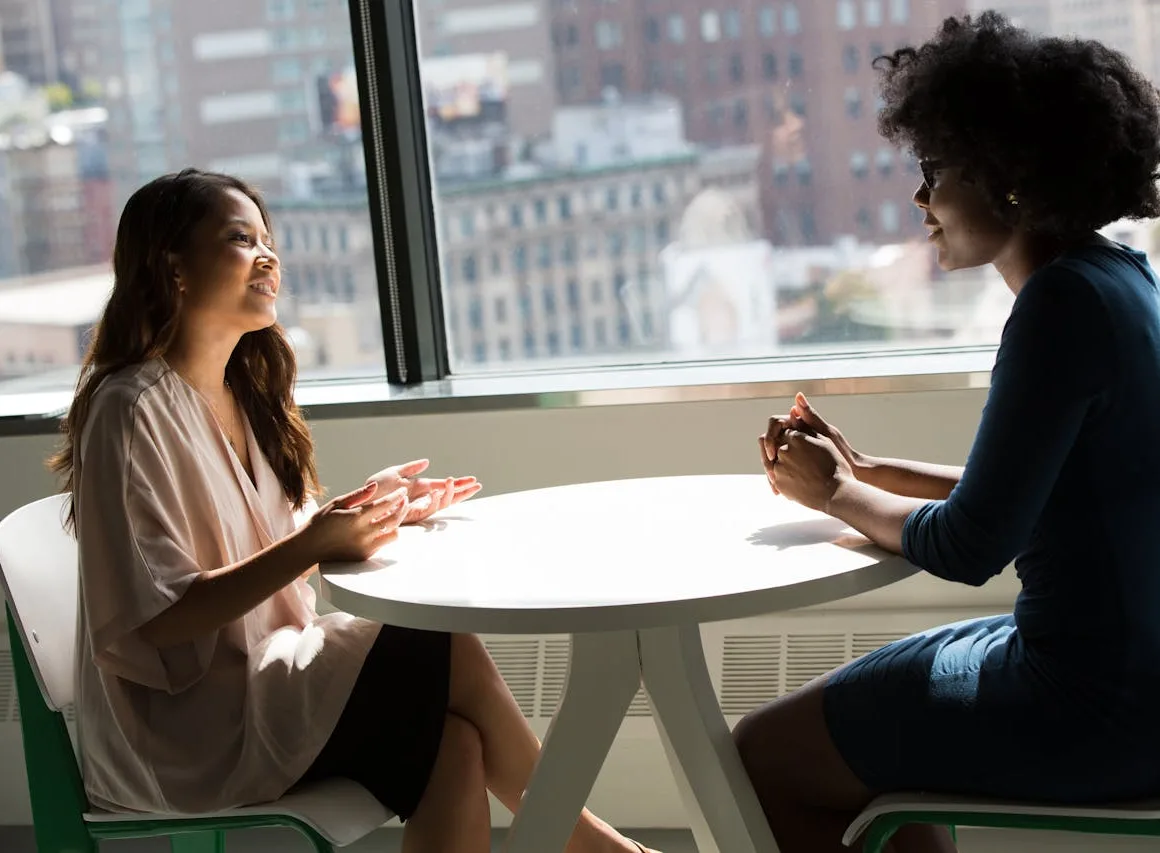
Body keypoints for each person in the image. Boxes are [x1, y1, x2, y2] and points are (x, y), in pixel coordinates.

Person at [51, 168, 657, 853]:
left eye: (267, 238)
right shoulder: (130, 409)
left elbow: (279, 550)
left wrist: (375, 511)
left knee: (452, 743)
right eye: (239, 238)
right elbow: (158, 618)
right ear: (174, 267)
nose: (268, 255)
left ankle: (594, 844)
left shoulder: (243, 397)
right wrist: (314, 541)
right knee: (440, 640)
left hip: (262, 685)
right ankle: (600, 846)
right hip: (186, 731)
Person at [730, 12, 1160, 853]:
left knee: (757, 754)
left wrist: (837, 492)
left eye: (936, 169)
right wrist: (871, 469)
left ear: (1008, 178)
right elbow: (1043, 492)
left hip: (1094, 704)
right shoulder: (1119, 279)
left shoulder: (1057, 308)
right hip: (1137, 678)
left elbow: (971, 547)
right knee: (880, 707)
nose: (921, 198)